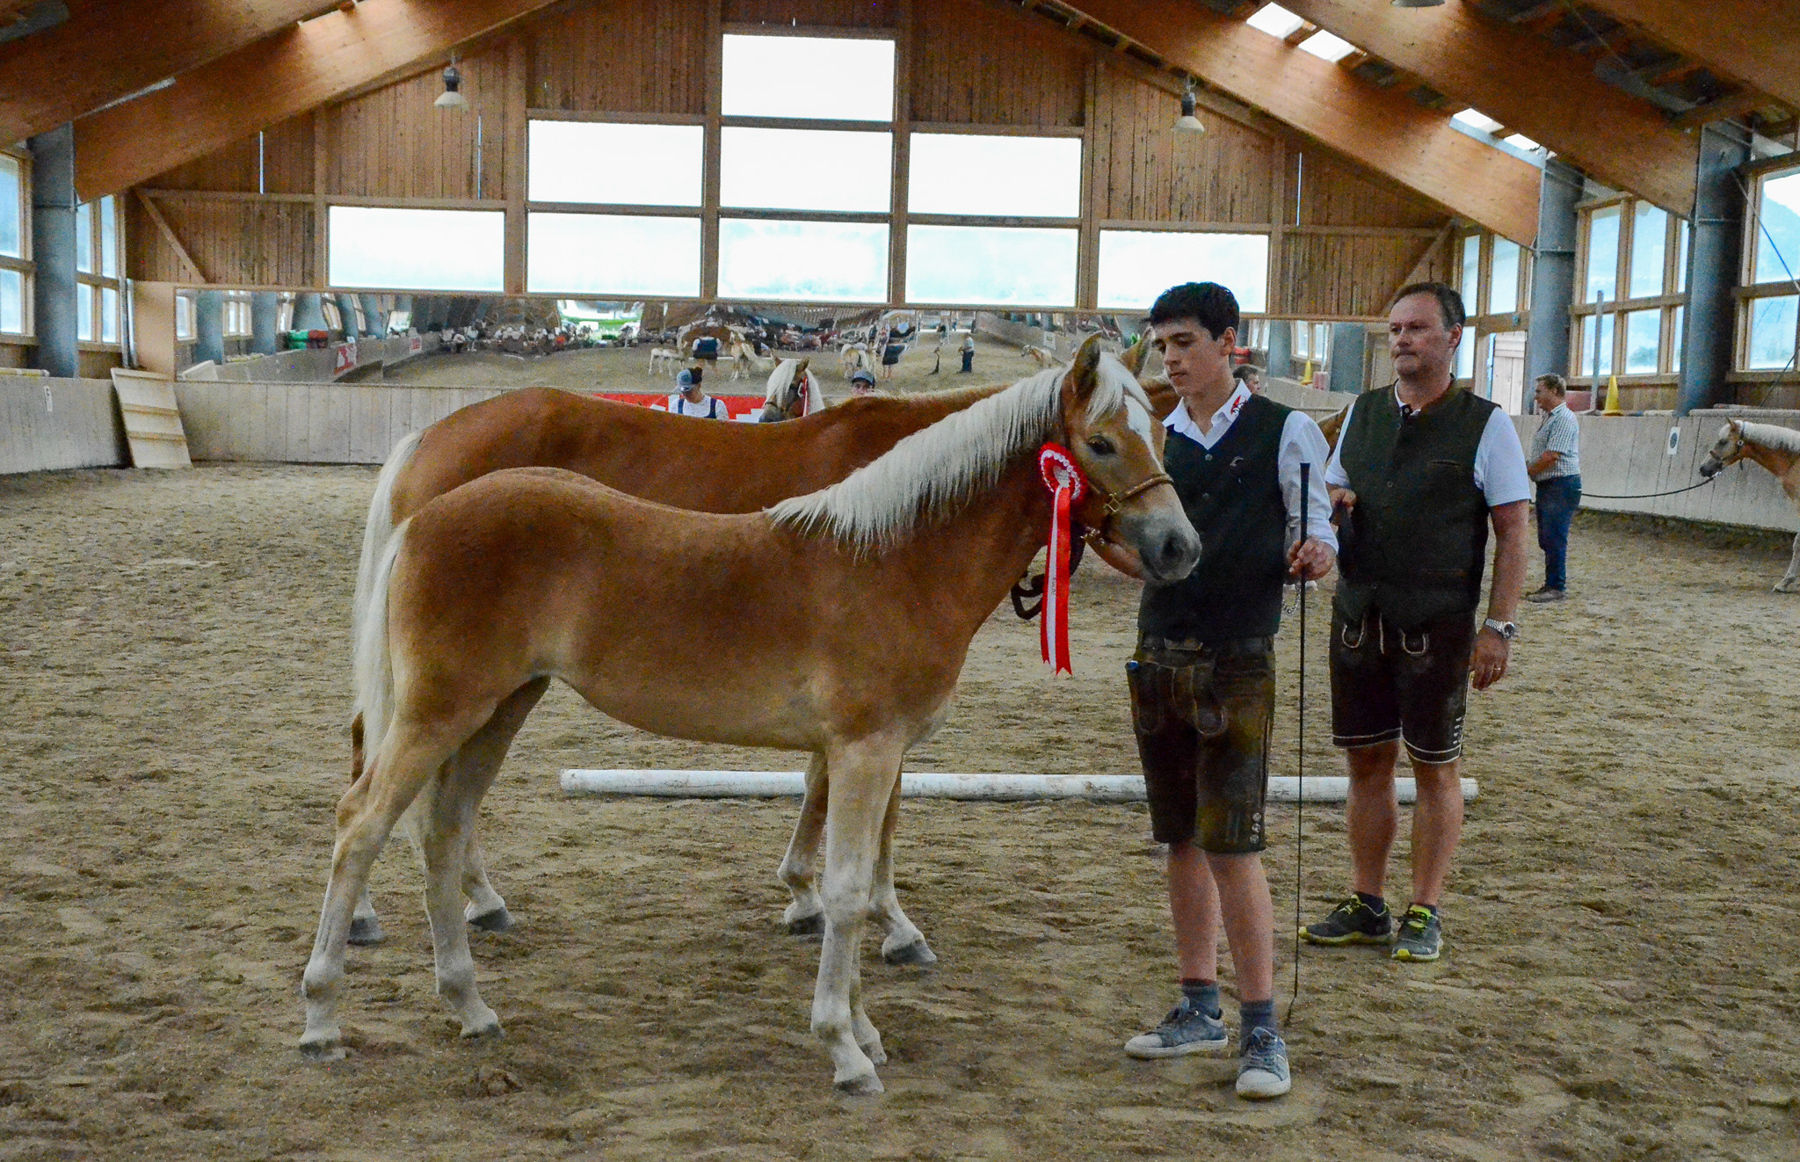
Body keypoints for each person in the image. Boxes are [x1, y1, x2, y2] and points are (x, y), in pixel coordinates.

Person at [1119, 281, 1336, 1102]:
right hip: (1157, 654)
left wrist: (1317, 554)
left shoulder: (1292, 432)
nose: (1169, 359)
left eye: (1182, 342)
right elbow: (1142, 558)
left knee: (1234, 843)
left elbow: (1317, 533)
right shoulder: (1150, 439)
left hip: (1239, 658)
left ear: (1228, 342)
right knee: (1179, 837)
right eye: (1161, 345)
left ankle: (1262, 1026)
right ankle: (1197, 1003)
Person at [1302, 282, 1529, 963]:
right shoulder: (1362, 414)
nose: (1402, 339)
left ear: (1453, 338)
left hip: (1440, 626)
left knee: (1435, 768)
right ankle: (1367, 902)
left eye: (1418, 328)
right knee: (1367, 762)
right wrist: (1333, 513)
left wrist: (1500, 628)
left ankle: (1425, 908)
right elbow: (1336, 501)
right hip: (1359, 619)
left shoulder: (1486, 424)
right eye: (1396, 327)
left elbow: (1514, 533)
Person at [1525, 373, 1581, 602]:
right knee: (1548, 536)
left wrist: (1526, 472)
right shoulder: (1550, 418)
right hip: (1550, 485)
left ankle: (1556, 586)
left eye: (1539, 391)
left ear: (1554, 391)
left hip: (1560, 484)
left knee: (1554, 536)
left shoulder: (1563, 419)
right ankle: (1551, 583)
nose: (1536, 396)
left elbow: (1552, 455)